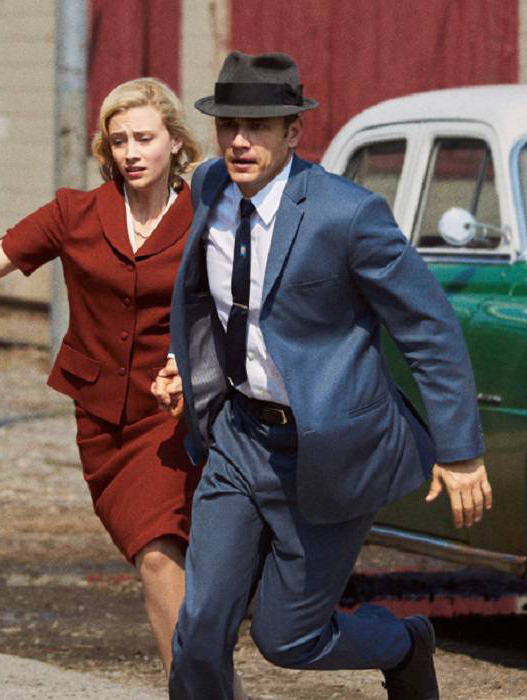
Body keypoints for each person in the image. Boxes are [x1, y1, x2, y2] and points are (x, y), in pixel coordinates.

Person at [154, 52, 492, 699]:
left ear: (293, 131)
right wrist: (186, 368)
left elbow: (428, 327)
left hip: (331, 451)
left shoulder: (348, 214)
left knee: (287, 639)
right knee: (199, 626)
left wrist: (460, 452)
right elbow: (209, 301)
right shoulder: (209, 186)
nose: (240, 141)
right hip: (239, 439)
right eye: (228, 125)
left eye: (258, 126)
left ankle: (403, 643)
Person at [0, 77, 248, 699]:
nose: (132, 152)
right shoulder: (75, 213)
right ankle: (215, 686)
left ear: (174, 142)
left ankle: (195, 690)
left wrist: (198, 369)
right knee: (163, 556)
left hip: (173, 418)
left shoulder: (207, 218)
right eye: (119, 141)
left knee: (160, 554)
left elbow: (237, 310)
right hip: (102, 424)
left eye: (144, 138)